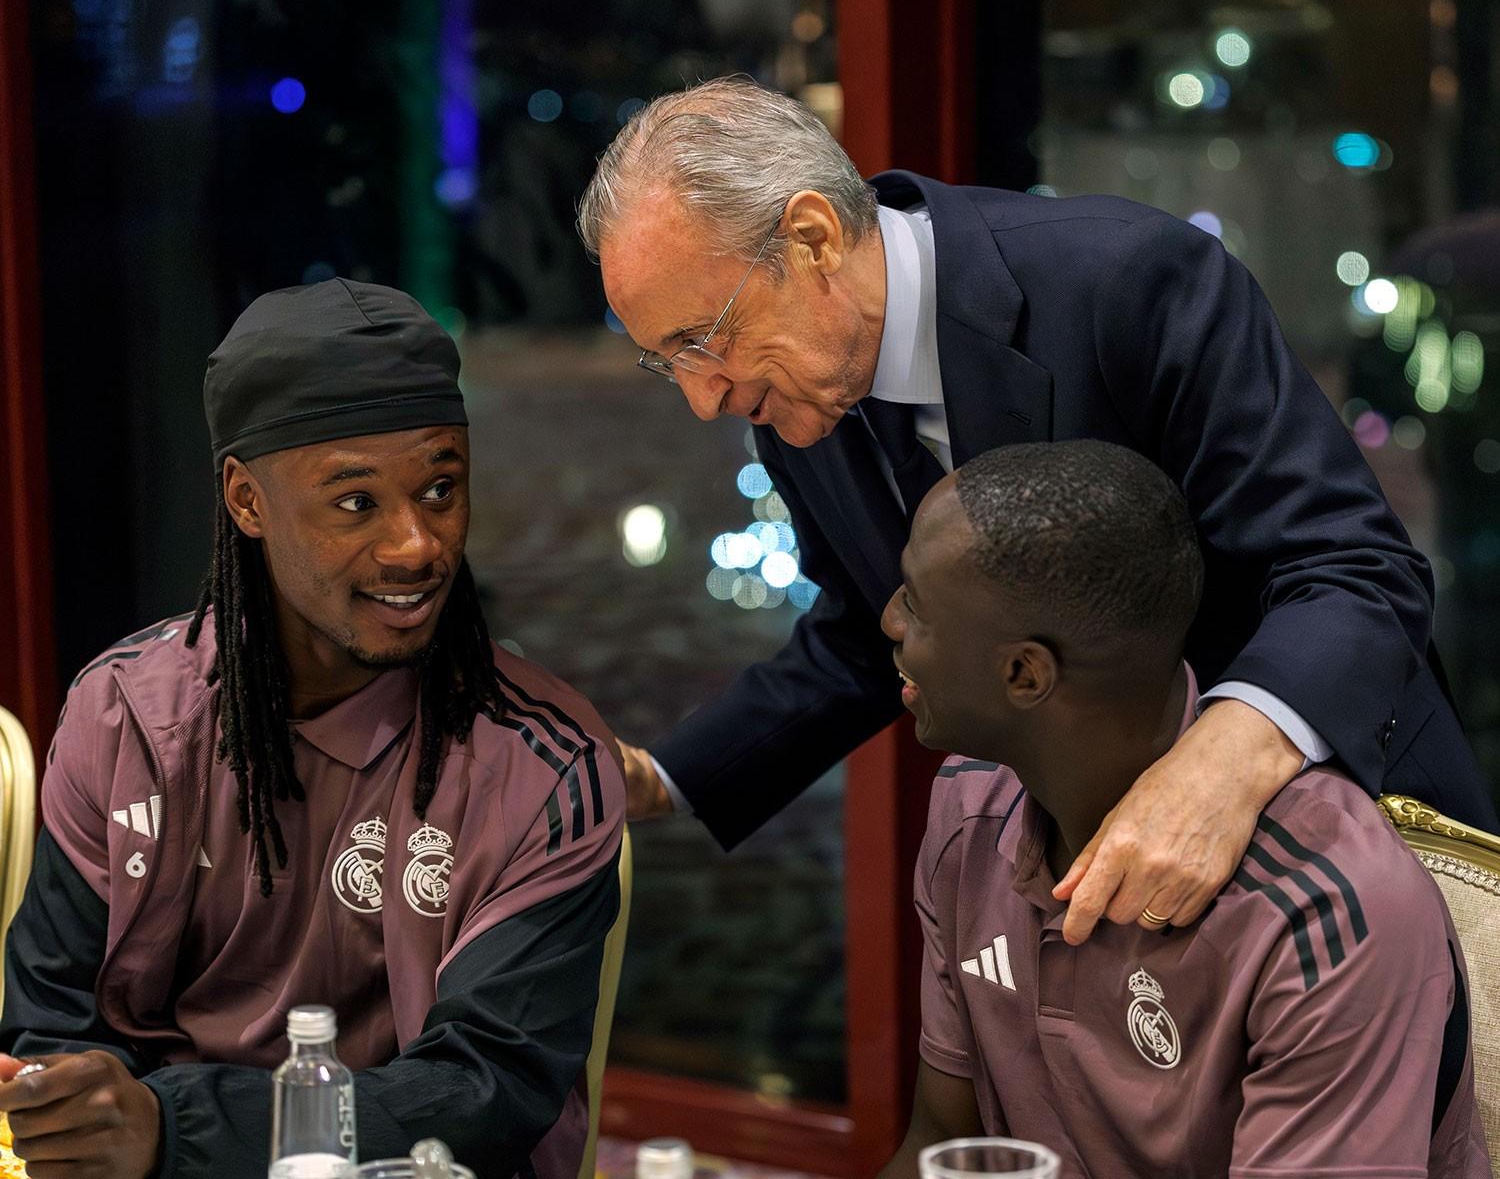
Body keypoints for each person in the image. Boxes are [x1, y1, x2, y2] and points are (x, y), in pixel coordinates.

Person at [577, 76, 1498, 946]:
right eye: (668, 361)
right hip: (1109, 890)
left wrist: (1222, 763)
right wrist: (665, 778)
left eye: (704, 339)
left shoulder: (1130, 279)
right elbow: (868, 628)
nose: (703, 398)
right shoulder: (796, 391)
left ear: (813, 238)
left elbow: (1353, 568)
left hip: (1349, 840)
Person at [0, 280, 625, 1179]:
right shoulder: (124, 718)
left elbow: (484, 1092)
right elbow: (53, 1028)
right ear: (247, 502)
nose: (417, 544)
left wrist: (171, 1128)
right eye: (356, 502)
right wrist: (79, 1112)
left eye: (441, 488)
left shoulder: (545, 768)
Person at [876, 440, 1489, 1178]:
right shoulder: (970, 806)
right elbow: (939, 1145)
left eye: (916, 603)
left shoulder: (1329, 912)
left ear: (1025, 674)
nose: (889, 620)